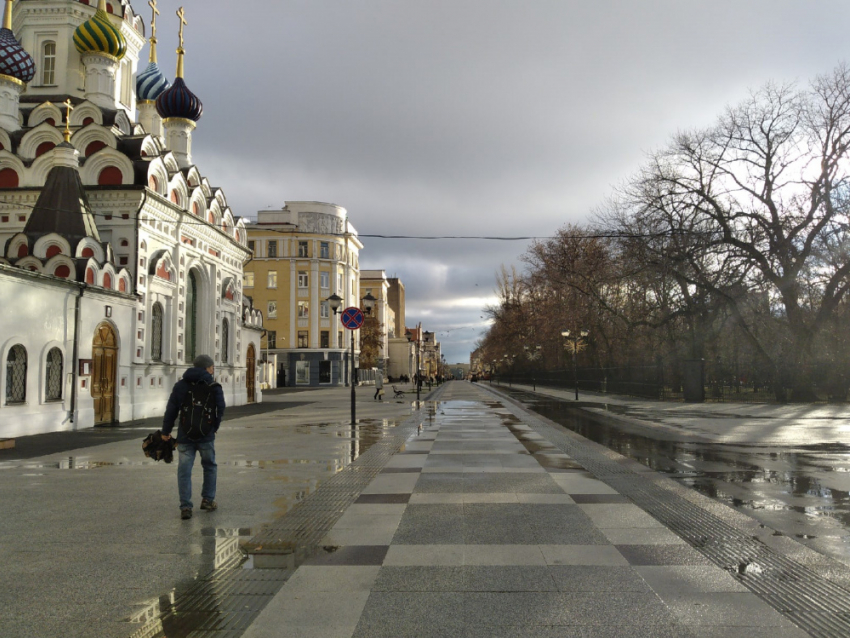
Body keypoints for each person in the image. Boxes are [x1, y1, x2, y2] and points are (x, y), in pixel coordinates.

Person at [161, 354, 226, 520]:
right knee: (210, 466)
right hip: (206, 436)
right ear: (207, 368)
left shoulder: (181, 385)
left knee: (184, 470)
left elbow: (171, 410)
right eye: (212, 367)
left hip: (185, 434)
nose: (213, 370)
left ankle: (185, 507)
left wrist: (166, 431)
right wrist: (214, 427)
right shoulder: (213, 385)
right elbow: (220, 408)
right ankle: (207, 500)